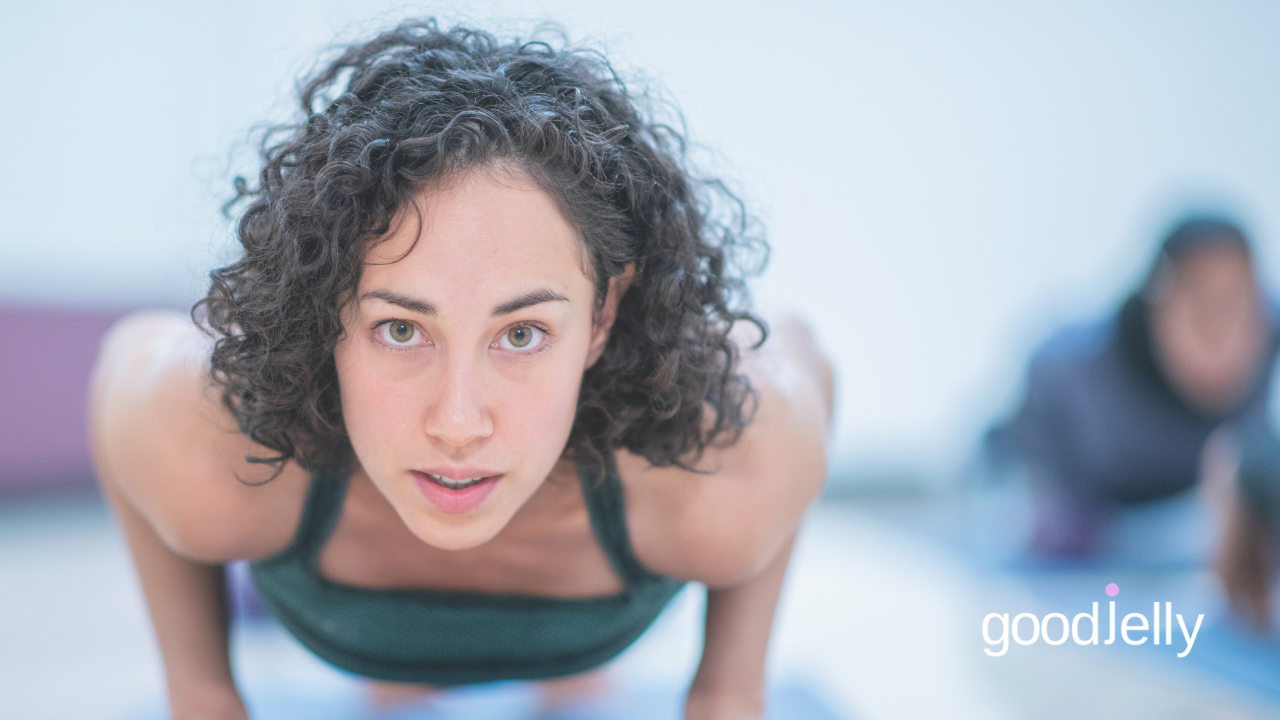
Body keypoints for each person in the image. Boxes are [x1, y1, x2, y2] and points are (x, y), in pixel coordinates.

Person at [89, 19, 833, 720]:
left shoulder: (722, 482)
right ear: (326, 313)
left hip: (611, 514)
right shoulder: (209, 457)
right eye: (401, 328)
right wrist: (202, 691)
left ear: (604, 316)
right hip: (327, 509)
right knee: (397, 685)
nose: (456, 423)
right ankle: (401, 678)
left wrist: (728, 690)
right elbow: (128, 363)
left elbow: (807, 365)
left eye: (521, 334)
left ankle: (560, 674)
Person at [985, 216, 1280, 625]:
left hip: (1184, 510)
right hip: (1074, 497)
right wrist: (1051, 498)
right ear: (1159, 303)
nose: (1226, 339)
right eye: (1203, 313)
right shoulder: (1076, 366)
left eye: (1242, 312)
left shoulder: (1270, 335)